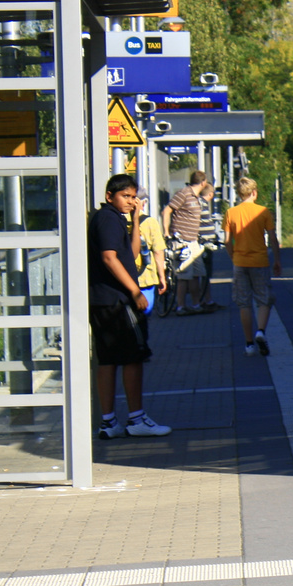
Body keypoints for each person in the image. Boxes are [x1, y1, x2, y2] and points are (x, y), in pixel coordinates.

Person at [89, 174, 171, 438]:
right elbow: (110, 258)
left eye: (134, 197)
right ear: (109, 196)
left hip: (102, 300)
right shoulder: (108, 219)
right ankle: (136, 418)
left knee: (108, 359)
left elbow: (132, 254)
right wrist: (135, 291)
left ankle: (108, 422)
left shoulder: (113, 220)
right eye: (126, 196)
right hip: (117, 300)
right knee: (134, 356)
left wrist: (135, 221)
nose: (131, 201)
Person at [224, 176, 282, 357]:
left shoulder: (231, 213)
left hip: (240, 263)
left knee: (244, 303)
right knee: (264, 300)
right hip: (260, 262)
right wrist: (277, 260)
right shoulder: (263, 212)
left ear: (239, 194)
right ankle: (261, 332)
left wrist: (233, 256)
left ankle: (249, 344)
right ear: (254, 193)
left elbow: (227, 241)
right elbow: (272, 238)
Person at [162, 170, 213, 314]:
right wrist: (167, 232)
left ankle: (196, 304)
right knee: (184, 276)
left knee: (197, 273)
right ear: (203, 183)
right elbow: (167, 210)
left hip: (193, 241)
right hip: (182, 240)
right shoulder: (184, 193)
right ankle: (180, 306)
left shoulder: (196, 197)